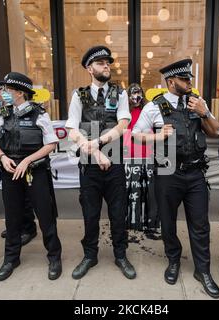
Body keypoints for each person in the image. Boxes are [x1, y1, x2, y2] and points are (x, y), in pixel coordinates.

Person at [133, 59, 219, 298]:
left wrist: (204, 113)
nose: (189, 83)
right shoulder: (154, 107)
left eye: (190, 79)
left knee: (200, 225)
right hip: (167, 173)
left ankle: (203, 271)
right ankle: (173, 261)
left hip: (195, 174)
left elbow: (217, 133)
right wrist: (157, 137)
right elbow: (136, 135)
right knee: (168, 222)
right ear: (171, 82)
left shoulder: (197, 103)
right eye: (185, 79)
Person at [66, 45, 136, 280]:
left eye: (108, 62)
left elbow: (123, 124)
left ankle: (120, 255)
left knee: (118, 213)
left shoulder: (120, 93)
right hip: (89, 166)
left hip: (114, 164)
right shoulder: (79, 94)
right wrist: (94, 152)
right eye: (100, 63)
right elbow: (71, 130)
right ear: (89, 68)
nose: (106, 66)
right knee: (90, 213)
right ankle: (90, 255)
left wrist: (98, 142)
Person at [0, 72, 62, 281]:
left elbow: (50, 144)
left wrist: (26, 161)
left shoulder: (39, 114)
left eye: (7, 90)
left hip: (35, 172)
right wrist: (2, 157)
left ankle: (54, 257)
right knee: (12, 217)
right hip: (9, 172)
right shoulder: (1, 113)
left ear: (20, 93)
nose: (3, 94)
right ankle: (11, 258)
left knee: (45, 216)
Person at [0, 80, 37, 246]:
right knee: (12, 200)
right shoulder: (0, 111)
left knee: (26, 198)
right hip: (5, 158)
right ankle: (15, 227)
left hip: (23, 160)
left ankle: (28, 228)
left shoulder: (26, 109)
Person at [124, 83, 160, 238]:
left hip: (148, 155)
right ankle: (133, 222)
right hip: (130, 156)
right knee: (133, 192)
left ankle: (151, 223)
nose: (135, 97)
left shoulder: (148, 110)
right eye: (132, 94)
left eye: (138, 93)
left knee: (150, 192)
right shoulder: (125, 112)